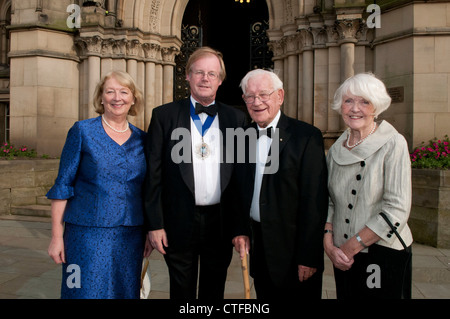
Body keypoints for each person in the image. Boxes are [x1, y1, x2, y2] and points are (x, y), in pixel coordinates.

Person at [143, 46, 247, 299]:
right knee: (181, 290)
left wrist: (241, 227)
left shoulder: (237, 119)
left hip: (220, 223)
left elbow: (241, 180)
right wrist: (154, 224)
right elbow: (152, 176)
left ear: (220, 80)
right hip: (177, 220)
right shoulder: (163, 116)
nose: (205, 78)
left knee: (215, 288)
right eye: (199, 72)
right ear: (187, 76)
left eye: (212, 73)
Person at [47, 71, 148, 299]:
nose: (117, 97)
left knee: (124, 292)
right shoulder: (82, 131)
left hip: (130, 236)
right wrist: (56, 236)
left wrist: (150, 229)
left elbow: (146, 190)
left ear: (133, 99)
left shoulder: (143, 139)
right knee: (80, 290)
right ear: (101, 98)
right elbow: (63, 185)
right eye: (110, 91)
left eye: (124, 92)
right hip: (85, 236)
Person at [232, 69, 328, 299]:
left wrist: (309, 256)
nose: (257, 102)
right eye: (250, 96)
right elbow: (237, 190)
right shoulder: (242, 136)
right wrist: (240, 230)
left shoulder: (307, 137)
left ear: (280, 96)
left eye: (264, 94)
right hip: (259, 246)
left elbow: (315, 201)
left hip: (295, 251)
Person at [324, 72, 413, 299]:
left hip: (382, 252)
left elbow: (397, 209)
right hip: (342, 254)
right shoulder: (336, 149)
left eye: (365, 101)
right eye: (348, 101)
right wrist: (328, 243)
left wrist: (349, 248)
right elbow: (329, 201)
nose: (355, 108)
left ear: (377, 106)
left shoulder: (393, 143)